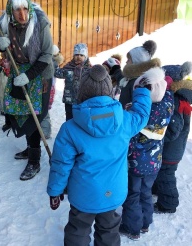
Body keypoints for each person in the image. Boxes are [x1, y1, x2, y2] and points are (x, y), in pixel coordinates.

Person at [47, 64, 153, 246]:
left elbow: (60, 164)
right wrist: (142, 92)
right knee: (109, 230)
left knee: (78, 229)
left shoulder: (70, 129)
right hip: (113, 193)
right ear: (109, 91)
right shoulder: (125, 121)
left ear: (82, 92)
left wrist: (55, 191)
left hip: (83, 195)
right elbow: (142, 115)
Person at [0, 0, 53, 180]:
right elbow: (4, 47)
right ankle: (31, 148)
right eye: (17, 10)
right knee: (19, 111)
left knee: (34, 116)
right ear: (11, 11)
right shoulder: (4, 22)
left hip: (40, 74)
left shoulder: (41, 23)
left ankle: (34, 160)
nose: (22, 14)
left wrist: (29, 75)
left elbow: (46, 54)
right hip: (18, 72)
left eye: (25, 9)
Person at [119, 67, 174, 240]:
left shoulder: (141, 113)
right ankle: (145, 223)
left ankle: (132, 228)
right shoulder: (167, 104)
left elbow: (130, 134)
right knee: (146, 191)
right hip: (155, 162)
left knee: (133, 194)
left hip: (136, 162)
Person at [152, 61, 192, 214]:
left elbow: (174, 129)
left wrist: (158, 135)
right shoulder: (179, 97)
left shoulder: (175, 100)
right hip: (174, 147)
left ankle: (168, 204)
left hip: (172, 149)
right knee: (162, 171)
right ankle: (157, 190)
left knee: (166, 174)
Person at [109, 40, 160, 109]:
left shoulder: (137, 83)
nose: (126, 61)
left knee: (96, 117)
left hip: (124, 116)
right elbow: (123, 81)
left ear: (136, 63)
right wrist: (116, 69)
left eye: (129, 59)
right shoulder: (133, 78)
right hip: (121, 113)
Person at [54, 43, 92, 121]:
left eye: (81, 55)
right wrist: (55, 62)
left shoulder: (89, 70)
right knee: (69, 119)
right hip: (69, 99)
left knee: (81, 120)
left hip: (83, 100)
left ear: (85, 56)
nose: (78, 57)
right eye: (76, 55)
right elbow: (57, 73)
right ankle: (70, 132)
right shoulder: (68, 68)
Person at [40, 44, 64, 139]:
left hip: (47, 89)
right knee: (44, 110)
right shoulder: (54, 62)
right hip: (48, 88)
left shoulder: (51, 63)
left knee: (44, 111)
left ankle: (45, 132)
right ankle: (44, 130)